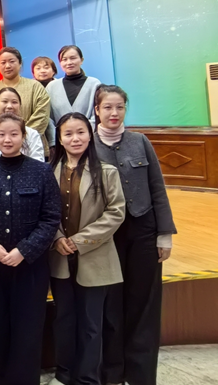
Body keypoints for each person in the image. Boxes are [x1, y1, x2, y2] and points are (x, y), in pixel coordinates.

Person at [94, 85, 175, 385]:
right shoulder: (88, 144)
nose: (114, 113)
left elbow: (157, 188)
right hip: (106, 236)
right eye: (107, 107)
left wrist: (164, 233)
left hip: (143, 230)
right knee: (111, 303)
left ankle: (141, 374)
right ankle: (112, 372)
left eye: (120, 107)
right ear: (97, 110)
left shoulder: (140, 141)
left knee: (144, 303)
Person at [0, 112, 61, 385]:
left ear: (24, 137)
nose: (7, 139)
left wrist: (24, 250)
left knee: (28, 326)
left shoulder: (42, 171)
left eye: (14, 134)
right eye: (1, 134)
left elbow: (51, 218)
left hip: (30, 266)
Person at [48, 113, 126, 385]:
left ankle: (88, 378)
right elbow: (44, 211)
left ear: (90, 134)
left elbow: (116, 213)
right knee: (64, 319)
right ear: (60, 139)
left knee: (92, 324)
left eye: (80, 132)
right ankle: (63, 374)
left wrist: (79, 241)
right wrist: (57, 238)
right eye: (68, 134)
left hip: (94, 255)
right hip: (59, 256)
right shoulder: (49, 171)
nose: (75, 138)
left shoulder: (106, 171)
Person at [0, 48, 51, 148]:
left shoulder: (35, 87)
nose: (7, 66)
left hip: (31, 146)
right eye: (3, 62)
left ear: (20, 63)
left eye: (12, 61)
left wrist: (21, 137)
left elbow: (42, 116)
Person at [0, 88, 45, 161]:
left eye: (14, 102)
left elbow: (38, 162)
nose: (9, 106)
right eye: (5, 101)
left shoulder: (32, 133)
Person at [47, 46, 102, 128]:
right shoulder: (52, 87)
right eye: (64, 59)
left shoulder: (94, 84)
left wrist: (85, 133)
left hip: (89, 134)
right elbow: (49, 118)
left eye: (73, 58)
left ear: (81, 60)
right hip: (59, 135)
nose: (69, 62)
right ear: (60, 63)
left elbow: (97, 114)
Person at [31, 56, 59, 152]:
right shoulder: (30, 88)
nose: (42, 71)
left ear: (54, 71)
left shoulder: (60, 86)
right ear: (33, 72)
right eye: (38, 68)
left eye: (46, 68)